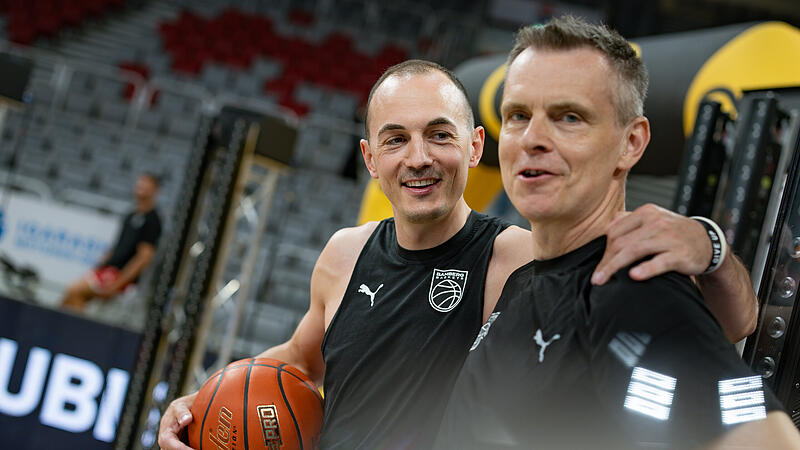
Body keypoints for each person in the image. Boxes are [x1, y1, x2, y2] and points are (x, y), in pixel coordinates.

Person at [159, 61, 758, 449]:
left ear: (474, 147)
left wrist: (709, 245)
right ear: (371, 159)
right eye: (396, 140)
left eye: (439, 134)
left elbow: (735, 322)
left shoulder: (520, 257)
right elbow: (298, 359)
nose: (418, 157)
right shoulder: (345, 252)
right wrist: (201, 402)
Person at [435, 16, 800, 449]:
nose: (531, 138)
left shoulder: (629, 290)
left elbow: (770, 440)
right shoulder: (527, 278)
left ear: (631, 143)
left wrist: (710, 247)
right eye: (518, 115)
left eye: (568, 117)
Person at [61, 173, 162, 312]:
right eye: (140, 183)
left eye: (146, 185)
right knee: (66, 300)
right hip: (108, 270)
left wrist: (119, 283)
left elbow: (144, 258)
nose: (141, 187)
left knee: (74, 290)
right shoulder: (131, 215)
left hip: (119, 276)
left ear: (155, 190)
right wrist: (98, 267)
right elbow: (116, 248)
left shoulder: (153, 221)